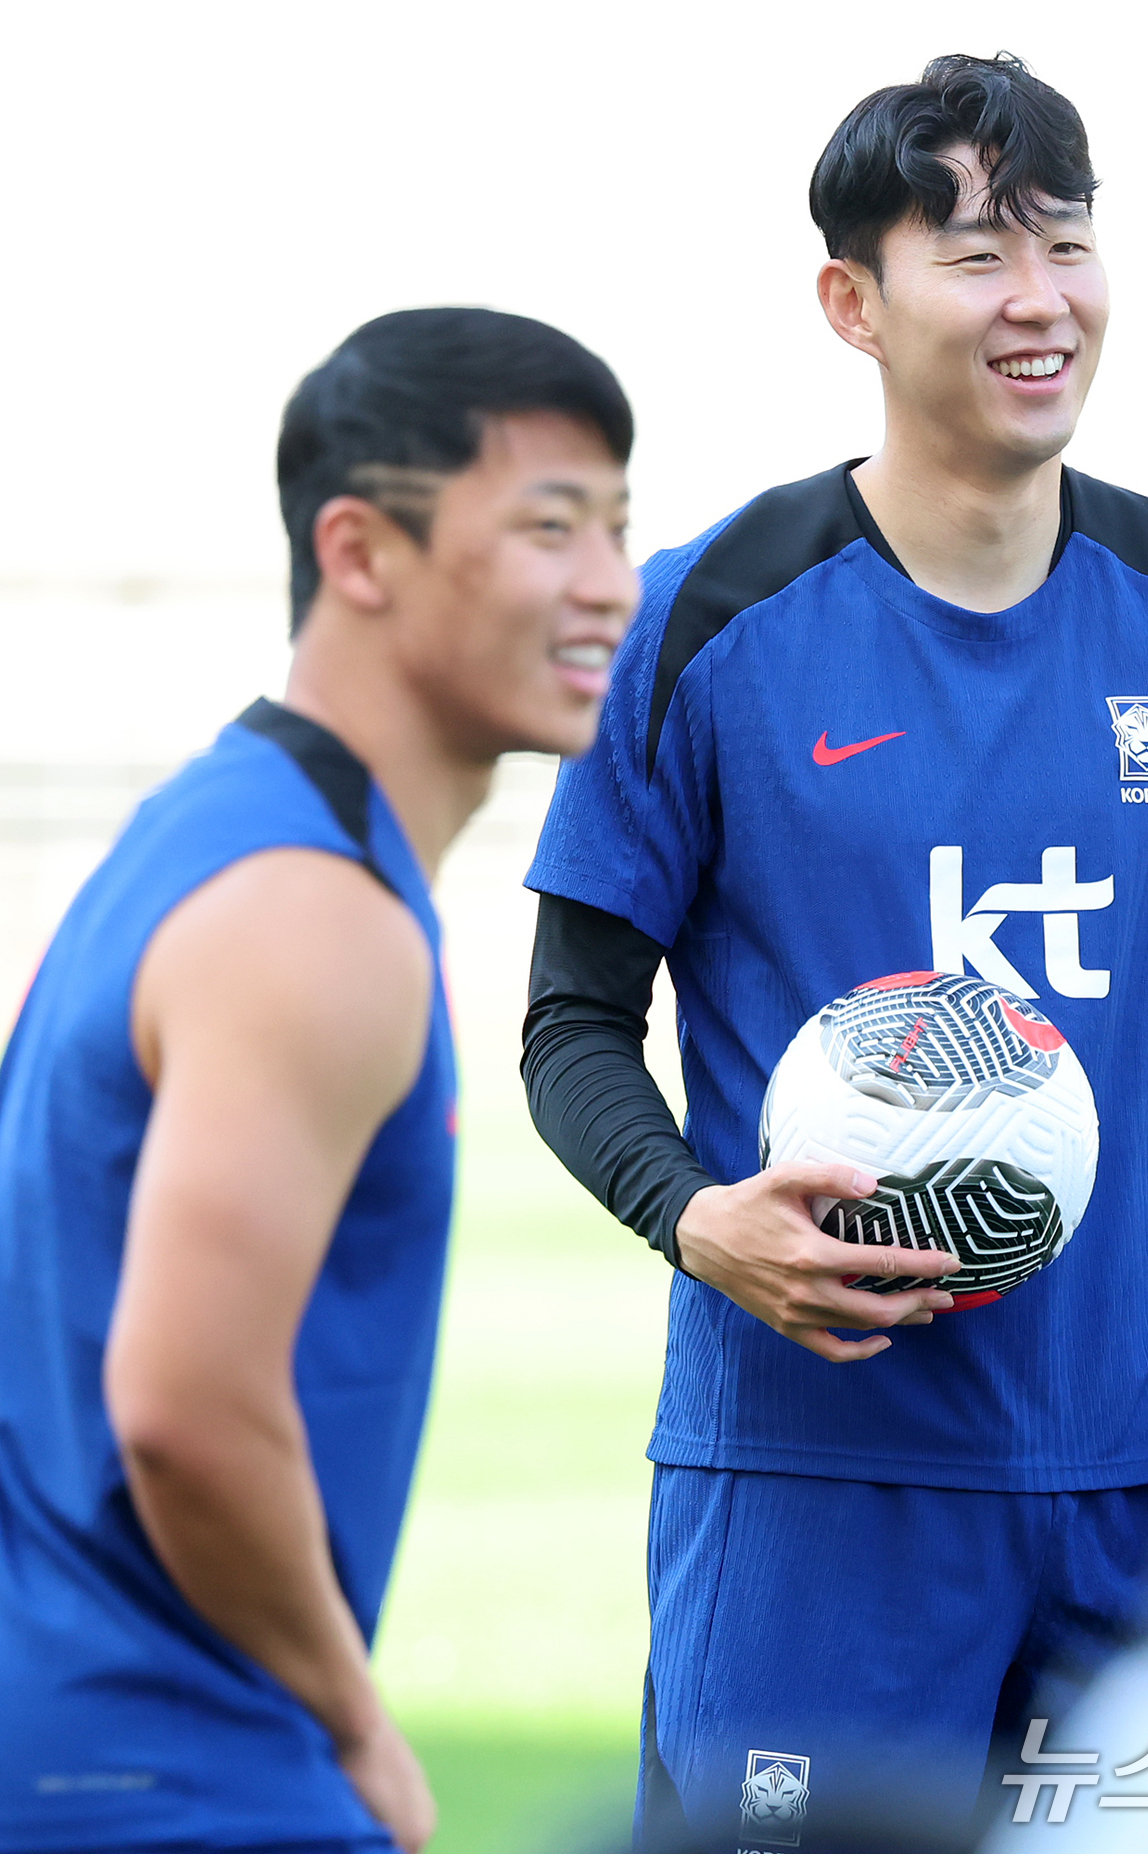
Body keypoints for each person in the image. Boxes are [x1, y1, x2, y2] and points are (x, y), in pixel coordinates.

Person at [521, 53, 1148, 1850]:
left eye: (1065, 240)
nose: (1041, 297)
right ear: (854, 300)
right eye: (976, 254)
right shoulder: (714, 617)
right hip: (819, 1482)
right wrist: (696, 1213)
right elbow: (571, 1023)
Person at [0, 307, 636, 1854]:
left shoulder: (214, 829)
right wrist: (356, 1717)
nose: (612, 584)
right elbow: (182, 1405)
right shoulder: (317, 916)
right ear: (360, 552)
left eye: (621, 526)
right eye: (549, 528)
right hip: (172, 1778)